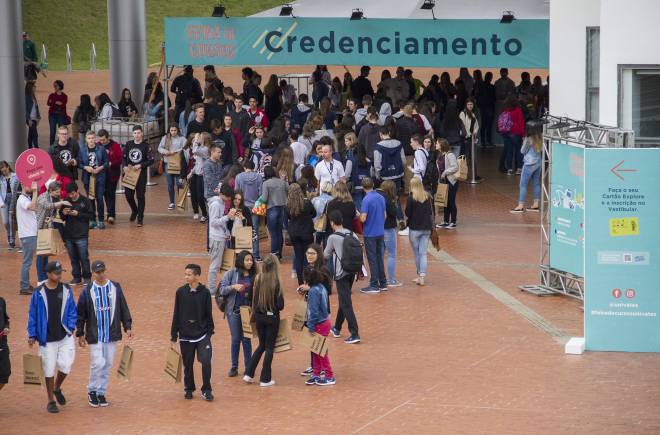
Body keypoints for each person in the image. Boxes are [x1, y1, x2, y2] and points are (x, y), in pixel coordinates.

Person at [76, 260, 133, 408]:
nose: (100, 274)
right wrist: (80, 333)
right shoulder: (88, 290)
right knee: (98, 363)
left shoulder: (115, 287)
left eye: (102, 271)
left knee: (107, 363)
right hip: (95, 334)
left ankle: (101, 391)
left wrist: (127, 326)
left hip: (111, 333)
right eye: (97, 272)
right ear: (93, 273)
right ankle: (92, 390)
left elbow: (123, 306)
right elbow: (80, 314)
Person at [27, 260, 78, 414]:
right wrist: (32, 334)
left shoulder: (66, 289)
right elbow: (33, 314)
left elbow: (72, 310)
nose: (59, 275)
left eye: (60, 272)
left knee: (66, 365)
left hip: (64, 336)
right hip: (46, 338)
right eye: (56, 273)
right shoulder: (39, 292)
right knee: (48, 369)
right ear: (48, 274)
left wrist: (70, 327)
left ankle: (57, 387)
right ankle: (50, 400)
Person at [170, 264, 214, 401]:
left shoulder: (205, 293)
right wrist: (174, 335)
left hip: (202, 335)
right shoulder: (180, 292)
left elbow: (209, 314)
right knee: (187, 364)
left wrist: (209, 332)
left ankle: (206, 389)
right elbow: (176, 313)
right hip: (185, 336)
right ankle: (189, 388)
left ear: (196, 275)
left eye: (189, 274)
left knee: (206, 361)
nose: (186, 277)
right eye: (185, 274)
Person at [243, 255, 284, 387]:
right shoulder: (276, 281)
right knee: (269, 348)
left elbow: (250, 297)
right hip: (272, 318)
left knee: (261, 345)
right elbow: (280, 305)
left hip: (259, 317)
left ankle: (248, 373)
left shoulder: (257, 278)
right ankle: (265, 379)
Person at [324, 211, 361, 344]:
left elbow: (325, 255)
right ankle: (337, 328)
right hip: (352, 271)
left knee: (346, 302)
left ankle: (354, 332)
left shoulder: (333, 237)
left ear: (332, 223)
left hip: (341, 273)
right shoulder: (352, 234)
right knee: (344, 299)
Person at [219, 250, 256, 377]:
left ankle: (248, 367)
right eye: (247, 260)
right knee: (235, 339)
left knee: (247, 339)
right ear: (241, 260)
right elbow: (222, 290)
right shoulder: (231, 274)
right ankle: (234, 366)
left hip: (248, 312)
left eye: (251, 260)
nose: (249, 262)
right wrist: (233, 287)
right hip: (234, 311)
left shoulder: (255, 275)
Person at [302, 267, 336, 385]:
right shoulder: (321, 287)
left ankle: (329, 375)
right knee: (316, 350)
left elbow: (314, 311)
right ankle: (316, 374)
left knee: (321, 351)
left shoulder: (313, 291)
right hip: (324, 322)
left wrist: (311, 326)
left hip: (319, 323)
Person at [36, 181, 70, 283]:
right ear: (50, 191)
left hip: (46, 228)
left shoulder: (54, 198)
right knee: (41, 254)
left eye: (59, 192)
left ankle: (44, 277)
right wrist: (62, 202)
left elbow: (53, 212)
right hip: (39, 228)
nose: (58, 194)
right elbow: (47, 206)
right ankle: (41, 279)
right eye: (56, 192)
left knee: (46, 253)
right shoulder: (43, 197)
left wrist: (51, 218)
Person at [122, 125, 154, 226]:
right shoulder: (128, 144)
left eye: (138, 133)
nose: (137, 135)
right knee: (128, 195)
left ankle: (140, 217)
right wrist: (124, 166)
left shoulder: (146, 146)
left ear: (142, 134)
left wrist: (141, 165)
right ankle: (134, 210)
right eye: (135, 133)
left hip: (141, 175)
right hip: (129, 174)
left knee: (140, 196)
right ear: (132, 134)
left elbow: (151, 160)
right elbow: (123, 157)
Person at [359, 177, 387, 293]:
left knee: (372, 259)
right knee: (379, 257)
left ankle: (374, 284)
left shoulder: (366, 200)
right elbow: (384, 215)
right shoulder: (381, 197)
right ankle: (383, 282)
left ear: (362, 187)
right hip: (380, 231)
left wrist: (359, 216)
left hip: (370, 233)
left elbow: (363, 218)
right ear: (373, 185)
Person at [61, 183, 93, 285]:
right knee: (73, 258)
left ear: (77, 191)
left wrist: (78, 214)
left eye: (73, 193)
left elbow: (91, 215)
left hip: (82, 234)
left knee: (83, 257)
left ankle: (87, 277)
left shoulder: (85, 201)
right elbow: (62, 217)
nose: (71, 196)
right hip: (69, 234)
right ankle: (76, 277)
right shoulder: (66, 202)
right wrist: (64, 213)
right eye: (69, 194)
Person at [374, 126, 405, 225]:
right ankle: (400, 219)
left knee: (385, 199)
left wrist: (377, 176)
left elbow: (377, 164)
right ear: (389, 132)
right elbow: (403, 160)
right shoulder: (399, 144)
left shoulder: (378, 146)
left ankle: (388, 221)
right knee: (396, 197)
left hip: (385, 177)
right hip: (398, 175)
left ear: (380, 134)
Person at [405, 178, 434, 286]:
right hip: (426, 228)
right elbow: (431, 212)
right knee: (423, 254)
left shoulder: (411, 198)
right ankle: (422, 276)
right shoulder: (427, 196)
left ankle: (419, 275)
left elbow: (407, 213)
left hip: (414, 228)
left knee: (417, 253)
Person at [79, 131, 108, 229]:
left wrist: (100, 168)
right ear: (86, 139)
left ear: (95, 139)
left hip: (99, 177)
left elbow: (106, 163)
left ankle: (100, 220)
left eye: (92, 138)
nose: (91, 140)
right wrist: (85, 167)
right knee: (90, 199)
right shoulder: (82, 150)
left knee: (99, 198)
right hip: (88, 178)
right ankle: (92, 220)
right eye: (89, 138)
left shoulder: (101, 149)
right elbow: (79, 163)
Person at [287, 184, 316, 285]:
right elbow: (314, 213)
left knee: (299, 257)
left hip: (294, 233)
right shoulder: (307, 203)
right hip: (307, 233)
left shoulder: (288, 205)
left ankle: (300, 281)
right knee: (309, 257)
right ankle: (308, 280)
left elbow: (287, 217)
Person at [235, 160, 263, 259]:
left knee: (242, 229)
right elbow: (261, 194)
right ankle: (255, 254)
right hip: (254, 207)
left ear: (244, 167)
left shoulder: (239, 177)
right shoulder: (259, 177)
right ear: (253, 167)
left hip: (243, 207)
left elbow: (236, 192)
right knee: (254, 230)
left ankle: (243, 254)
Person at [207, 184, 232, 292]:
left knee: (218, 264)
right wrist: (227, 217)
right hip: (216, 239)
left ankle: (214, 288)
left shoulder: (221, 203)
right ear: (221, 194)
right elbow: (213, 222)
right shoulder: (216, 204)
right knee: (215, 265)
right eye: (227, 197)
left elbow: (219, 221)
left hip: (220, 236)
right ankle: (211, 289)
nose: (228, 199)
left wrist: (226, 231)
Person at [511, 128, 542, 213]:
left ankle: (520, 206)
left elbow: (522, 151)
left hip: (529, 164)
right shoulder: (540, 138)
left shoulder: (528, 139)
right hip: (538, 163)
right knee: (536, 183)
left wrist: (524, 140)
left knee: (523, 185)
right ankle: (536, 204)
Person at [261, 166, 288, 258]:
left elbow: (264, 198)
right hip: (282, 209)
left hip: (271, 208)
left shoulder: (266, 183)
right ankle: (279, 254)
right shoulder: (282, 182)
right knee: (279, 232)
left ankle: (273, 254)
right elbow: (288, 193)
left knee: (273, 234)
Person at [377, 180, 401, 287]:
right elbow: (394, 212)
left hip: (378, 229)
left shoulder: (377, 196)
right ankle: (391, 280)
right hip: (388, 228)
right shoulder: (388, 199)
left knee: (380, 254)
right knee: (391, 254)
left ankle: (380, 279)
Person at [17, 182, 38, 295]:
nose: (32, 187)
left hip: (29, 234)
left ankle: (25, 284)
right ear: (23, 185)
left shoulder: (26, 198)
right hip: (27, 234)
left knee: (28, 261)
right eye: (30, 185)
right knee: (27, 262)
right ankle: (24, 286)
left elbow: (34, 209)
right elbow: (32, 206)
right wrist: (35, 192)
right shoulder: (22, 199)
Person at [158, 123, 186, 210]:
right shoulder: (165, 138)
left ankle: (181, 202)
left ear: (178, 130)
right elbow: (159, 148)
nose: (173, 132)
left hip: (178, 163)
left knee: (179, 183)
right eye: (171, 130)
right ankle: (172, 202)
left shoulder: (182, 139)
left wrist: (176, 151)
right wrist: (167, 152)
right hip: (168, 163)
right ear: (169, 130)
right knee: (170, 184)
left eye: (175, 130)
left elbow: (185, 148)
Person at [97, 129, 122, 224]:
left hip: (112, 174)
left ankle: (111, 215)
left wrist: (112, 163)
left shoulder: (115, 146)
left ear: (108, 138)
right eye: (100, 140)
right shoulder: (98, 145)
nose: (102, 142)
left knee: (111, 194)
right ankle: (108, 213)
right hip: (101, 174)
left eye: (103, 140)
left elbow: (120, 159)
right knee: (104, 194)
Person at [499, 94, 526, 175]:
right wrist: (523, 134)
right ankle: (519, 169)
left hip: (506, 132)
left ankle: (509, 169)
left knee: (509, 151)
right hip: (516, 132)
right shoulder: (518, 110)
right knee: (519, 150)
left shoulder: (505, 110)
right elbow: (521, 122)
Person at [436, 138, 459, 229]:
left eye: (437, 143)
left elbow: (455, 167)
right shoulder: (440, 155)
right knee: (445, 202)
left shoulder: (450, 155)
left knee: (451, 201)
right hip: (443, 181)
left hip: (451, 181)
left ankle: (453, 221)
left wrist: (445, 172)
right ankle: (445, 221)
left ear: (442, 145)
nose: (436, 145)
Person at [0, 161, 19, 250]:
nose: (3, 169)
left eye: (4, 167)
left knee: (12, 222)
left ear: (8, 166)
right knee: (5, 222)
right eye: (1, 168)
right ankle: (9, 235)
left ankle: (12, 240)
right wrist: (1, 202)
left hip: (13, 199)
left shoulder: (16, 176)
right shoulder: (0, 178)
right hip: (4, 201)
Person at [474, 70, 496, 148]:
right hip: (486, 108)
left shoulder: (482, 86)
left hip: (485, 108)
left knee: (486, 125)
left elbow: (476, 96)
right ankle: (486, 141)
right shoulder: (490, 87)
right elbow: (494, 98)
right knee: (486, 125)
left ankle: (485, 142)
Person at [47, 80, 68, 146]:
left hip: (61, 115)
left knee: (61, 131)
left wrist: (53, 102)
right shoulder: (52, 95)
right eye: (54, 86)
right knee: (52, 132)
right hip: (52, 115)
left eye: (55, 86)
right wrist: (56, 102)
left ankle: (61, 145)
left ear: (59, 86)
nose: (54, 87)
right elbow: (48, 103)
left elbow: (62, 105)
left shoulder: (64, 96)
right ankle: (52, 147)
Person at [25, 82, 41, 148]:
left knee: (31, 135)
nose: (35, 87)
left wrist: (38, 117)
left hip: (34, 118)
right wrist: (28, 119)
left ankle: (30, 148)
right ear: (30, 88)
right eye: (34, 86)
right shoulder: (27, 97)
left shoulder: (33, 96)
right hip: (30, 119)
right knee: (35, 135)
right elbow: (25, 109)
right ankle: (36, 149)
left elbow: (36, 107)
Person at [0, 295, 9, 391]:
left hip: (2, 343)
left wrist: (7, 327)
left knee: (5, 373)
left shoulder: (1, 301)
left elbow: (6, 319)